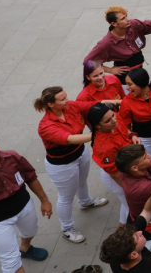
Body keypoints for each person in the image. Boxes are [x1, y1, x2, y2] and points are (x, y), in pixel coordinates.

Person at [33, 87, 109, 244]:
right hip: (62, 165)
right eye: (62, 99)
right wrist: (101, 132)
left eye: (66, 96)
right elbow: (69, 139)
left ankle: (85, 201)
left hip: (80, 153)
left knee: (82, 181)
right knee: (66, 197)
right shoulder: (46, 126)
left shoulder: (71, 106)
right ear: (50, 104)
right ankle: (66, 228)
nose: (67, 100)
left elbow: (95, 104)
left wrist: (122, 102)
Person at [0, 135, 52, 273]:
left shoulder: (12, 157)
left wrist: (44, 200)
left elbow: (30, 177)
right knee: (10, 263)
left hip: (23, 205)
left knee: (31, 231)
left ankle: (25, 248)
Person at [83, 7, 151, 83]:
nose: (128, 20)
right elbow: (88, 61)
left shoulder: (133, 24)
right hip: (125, 78)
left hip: (139, 70)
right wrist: (110, 70)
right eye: (123, 18)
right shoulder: (106, 43)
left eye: (126, 16)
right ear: (114, 23)